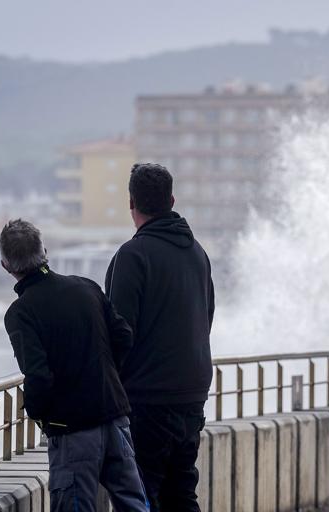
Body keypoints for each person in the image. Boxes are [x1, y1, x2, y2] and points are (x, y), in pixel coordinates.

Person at [0, 219, 148, 512]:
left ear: (5, 266)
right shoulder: (85, 287)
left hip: (71, 429)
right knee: (134, 503)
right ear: (45, 252)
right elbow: (124, 336)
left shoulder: (21, 313)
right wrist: (107, 377)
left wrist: (40, 415)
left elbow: (38, 375)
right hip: (114, 415)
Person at [105, 163, 214, 512]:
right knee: (181, 493)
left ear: (131, 203)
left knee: (141, 495)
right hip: (192, 394)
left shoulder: (133, 255)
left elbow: (119, 333)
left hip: (147, 400)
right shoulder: (197, 254)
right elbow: (207, 317)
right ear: (171, 200)